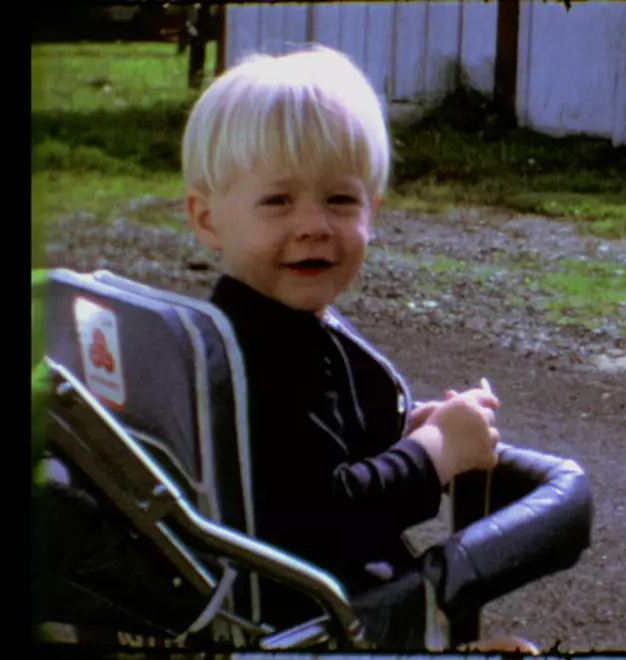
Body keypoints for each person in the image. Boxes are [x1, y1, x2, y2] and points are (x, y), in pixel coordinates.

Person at [182, 45, 536, 653]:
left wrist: (399, 435)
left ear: (372, 211)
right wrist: (436, 451)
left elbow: (299, 464)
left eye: (340, 200)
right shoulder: (265, 356)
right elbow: (333, 516)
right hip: (314, 628)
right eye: (278, 201)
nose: (314, 224)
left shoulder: (241, 329)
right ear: (208, 219)